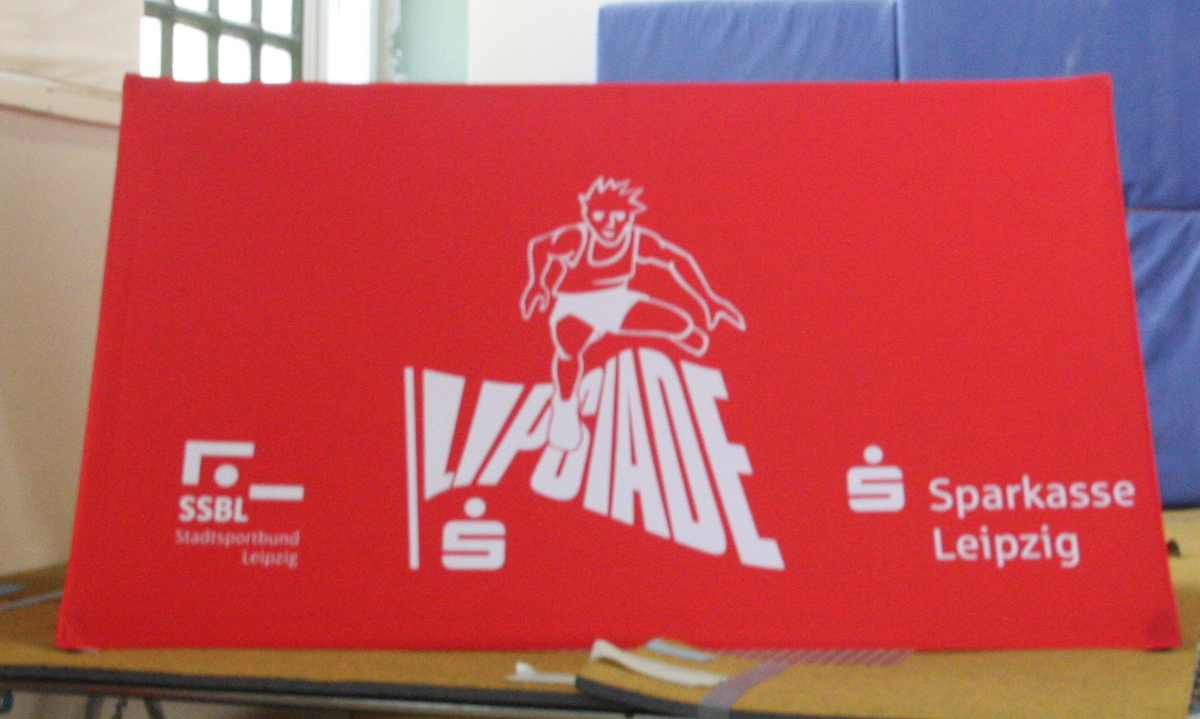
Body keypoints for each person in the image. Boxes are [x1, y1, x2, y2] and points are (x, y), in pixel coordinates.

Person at [520, 177, 745, 450]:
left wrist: (709, 299)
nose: (610, 224)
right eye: (600, 215)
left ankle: (685, 334)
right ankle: (565, 406)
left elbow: (677, 259)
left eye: (619, 216)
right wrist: (538, 284)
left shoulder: (638, 240)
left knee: (682, 325)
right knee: (568, 344)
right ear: (587, 214)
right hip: (574, 306)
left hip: (615, 301)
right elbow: (540, 246)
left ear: (629, 217)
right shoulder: (576, 238)